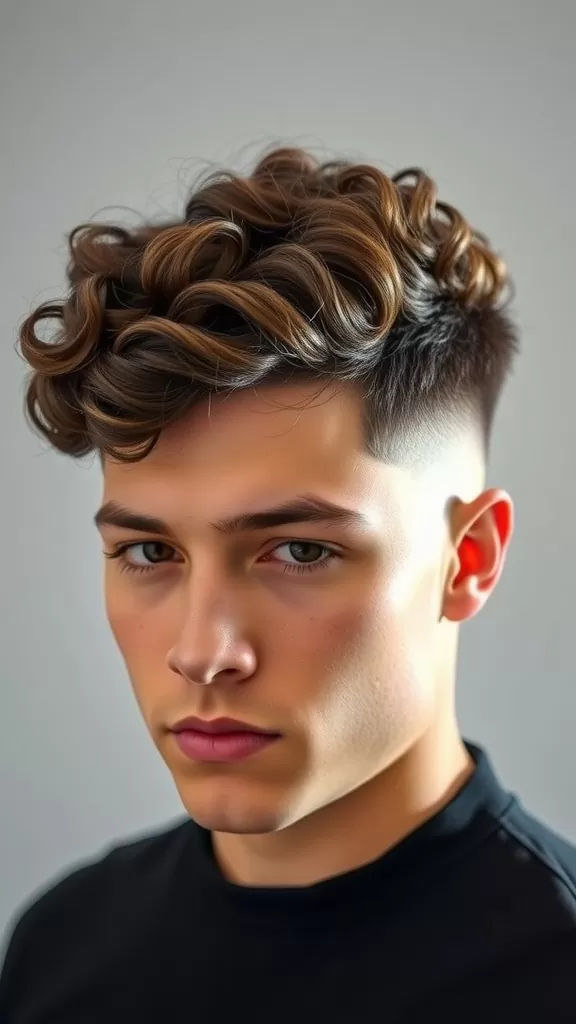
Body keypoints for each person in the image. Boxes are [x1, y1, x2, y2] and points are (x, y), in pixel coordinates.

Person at [1, 144, 575, 1023]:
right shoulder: (57, 950)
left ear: (469, 559)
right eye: (150, 554)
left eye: (300, 552)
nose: (203, 654)